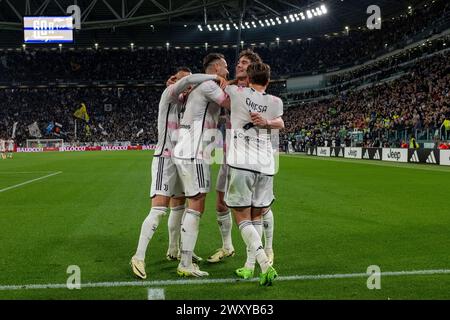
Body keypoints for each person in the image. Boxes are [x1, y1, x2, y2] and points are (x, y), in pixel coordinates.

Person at [130, 67, 227, 279]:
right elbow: (189, 80)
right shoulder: (169, 95)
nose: (186, 85)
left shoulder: (185, 102)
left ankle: (176, 251)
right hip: (164, 158)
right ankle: (138, 256)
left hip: (180, 158)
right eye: (180, 80)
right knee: (158, 210)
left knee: (179, 207)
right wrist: (214, 77)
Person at [225, 62, 284, 286]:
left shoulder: (237, 92)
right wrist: (267, 122)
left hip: (242, 164)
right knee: (256, 215)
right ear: (268, 81)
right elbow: (281, 122)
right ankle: (249, 267)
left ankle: (265, 265)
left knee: (242, 217)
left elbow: (224, 85)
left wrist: (236, 78)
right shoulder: (275, 101)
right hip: (266, 166)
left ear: (248, 79)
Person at [173, 53, 230, 277]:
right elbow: (228, 102)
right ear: (215, 68)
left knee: (192, 202)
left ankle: (184, 253)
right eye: (225, 67)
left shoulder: (202, 85)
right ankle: (185, 263)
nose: (228, 70)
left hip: (188, 146)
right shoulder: (208, 84)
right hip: (195, 149)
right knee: (197, 203)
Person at [207, 49, 263, 263]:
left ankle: (264, 250)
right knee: (221, 202)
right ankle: (227, 246)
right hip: (229, 153)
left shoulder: (256, 92)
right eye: (238, 62)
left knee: (258, 207)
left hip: (251, 156)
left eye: (244, 62)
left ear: (253, 68)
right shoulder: (232, 87)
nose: (239, 65)